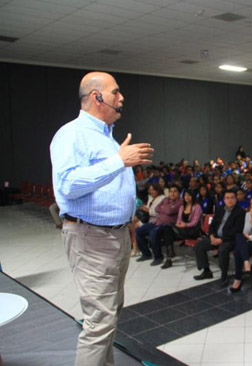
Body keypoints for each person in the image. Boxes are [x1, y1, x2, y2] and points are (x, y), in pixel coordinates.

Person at [50, 71, 153, 366]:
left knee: (109, 314)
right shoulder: (72, 134)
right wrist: (119, 161)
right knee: (99, 322)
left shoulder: (107, 137)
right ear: (97, 97)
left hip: (116, 235)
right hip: (92, 237)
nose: (121, 98)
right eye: (115, 93)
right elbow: (68, 184)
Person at [193, 190, 245, 286]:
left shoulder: (240, 212)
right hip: (216, 237)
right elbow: (213, 224)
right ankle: (206, 271)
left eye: (232, 198)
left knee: (223, 249)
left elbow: (237, 230)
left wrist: (221, 240)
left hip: (230, 239)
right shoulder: (220, 209)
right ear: (224, 199)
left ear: (236, 199)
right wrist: (211, 235)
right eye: (227, 198)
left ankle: (224, 276)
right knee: (199, 245)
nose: (229, 200)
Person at [136, 185, 182, 265]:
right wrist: (166, 208)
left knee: (153, 233)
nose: (172, 193)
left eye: (175, 191)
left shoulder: (180, 202)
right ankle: (146, 254)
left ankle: (158, 257)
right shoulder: (166, 199)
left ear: (179, 193)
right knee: (138, 231)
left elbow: (170, 211)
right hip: (157, 223)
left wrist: (164, 208)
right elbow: (157, 208)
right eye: (171, 191)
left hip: (168, 226)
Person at [161, 190, 203, 269]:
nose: (187, 197)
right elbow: (179, 219)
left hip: (193, 230)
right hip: (182, 230)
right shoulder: (182, 207)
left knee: (168, 231)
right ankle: (169, 256)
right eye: (185, 195)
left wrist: (185, 225)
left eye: (189, 195)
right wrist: (178, 224)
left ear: (193, 197)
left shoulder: (197, 207)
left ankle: (169, 257)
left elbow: (195, 222)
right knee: (167, 230)